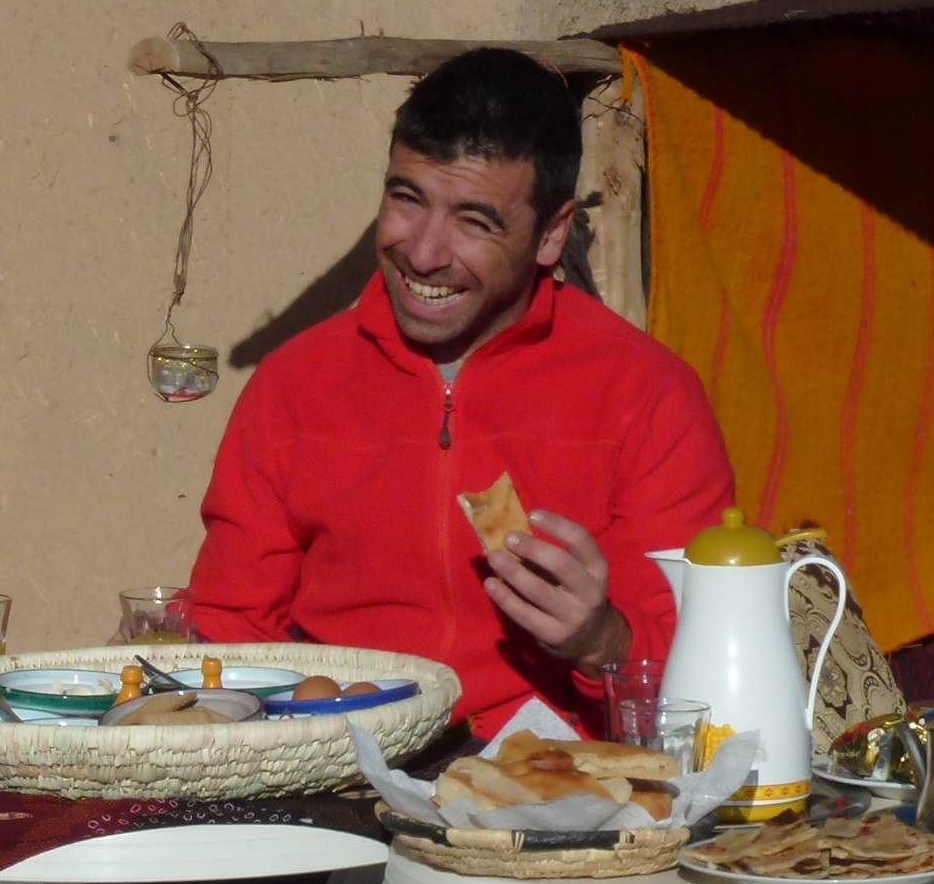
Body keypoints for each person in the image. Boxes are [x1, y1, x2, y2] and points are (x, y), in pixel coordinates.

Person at [188, 47, 734, 736]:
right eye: (406, 199)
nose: (423, 254)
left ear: (551, 235)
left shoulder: (649, 396)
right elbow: (229, 631)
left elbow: (697, 679)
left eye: (474, 222)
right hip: (331, 769)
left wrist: (600, 642)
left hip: (560, 790)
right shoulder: (292, 386)